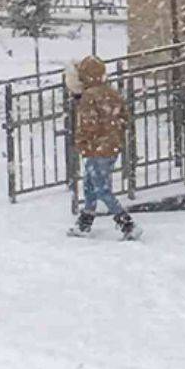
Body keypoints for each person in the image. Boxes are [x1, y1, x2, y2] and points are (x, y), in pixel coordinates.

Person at [69, 55, 142, 241]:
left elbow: (88, 124)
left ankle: (127, 223)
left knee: (100, 188)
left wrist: (82, 141)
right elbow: (125, 117)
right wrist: (113, 134)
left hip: (96, 147)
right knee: (90, 184)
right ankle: (85, 221)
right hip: (111, 146)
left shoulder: (88, 97)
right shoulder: (112, 93)